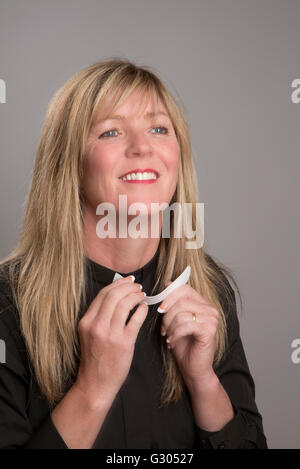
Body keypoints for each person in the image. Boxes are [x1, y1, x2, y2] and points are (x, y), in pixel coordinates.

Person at [0, 59, 268, 449]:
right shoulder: (9, 303)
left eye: (159, 128)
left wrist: (203, 381)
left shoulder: (209, 289)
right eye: (111, 132)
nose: (143, 148)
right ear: (69, 162)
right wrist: (93, 388)